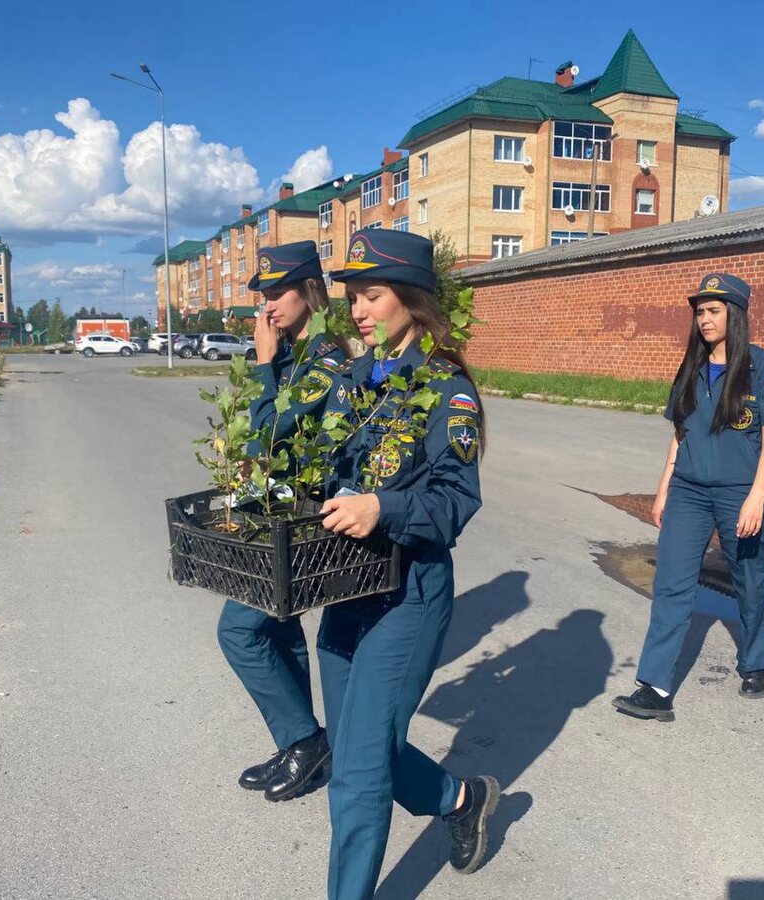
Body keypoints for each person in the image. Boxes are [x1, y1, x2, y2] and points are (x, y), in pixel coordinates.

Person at [316, 229, 500, 899]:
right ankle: (460, 800)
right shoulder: (354, 379)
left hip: (408, 593)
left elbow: (455, 502)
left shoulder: (446, 387)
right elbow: (320, 468)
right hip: (344, 585)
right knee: (358, 746)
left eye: (372, 296)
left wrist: (382, 508)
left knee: (359, 774)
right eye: (353, 300)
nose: (358, 312)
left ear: (411, 298)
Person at [613, 273, 764, 722]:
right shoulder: (691, 367)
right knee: (671, 584)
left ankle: (755, 663)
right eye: (700, 312)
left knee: (749, 581)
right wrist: (663, 489)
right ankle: (655, 688)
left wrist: (756, 497)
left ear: (735, 315)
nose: (704, 320)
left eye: (714, 311)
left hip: (741, 493)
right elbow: (680, 434)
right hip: (689, 493)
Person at [216, 240, 348, 803]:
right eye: (263, 295)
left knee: (239, 631)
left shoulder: (326, 363)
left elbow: (271, 441)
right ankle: (298, 741)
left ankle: (304, 741)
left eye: (278, 292)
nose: (267, 305)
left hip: (305, 517)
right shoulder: (295, 356)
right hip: (279, 511)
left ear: (309, 292)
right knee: (278, 627)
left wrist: (264, 364)